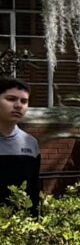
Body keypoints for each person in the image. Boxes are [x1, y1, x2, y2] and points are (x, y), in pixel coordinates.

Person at [0, 75, 40, 214]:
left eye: (24, 101)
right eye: (11, 99)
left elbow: (34, 189)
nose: (18, 105)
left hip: (21, 227)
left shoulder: (31, 143)